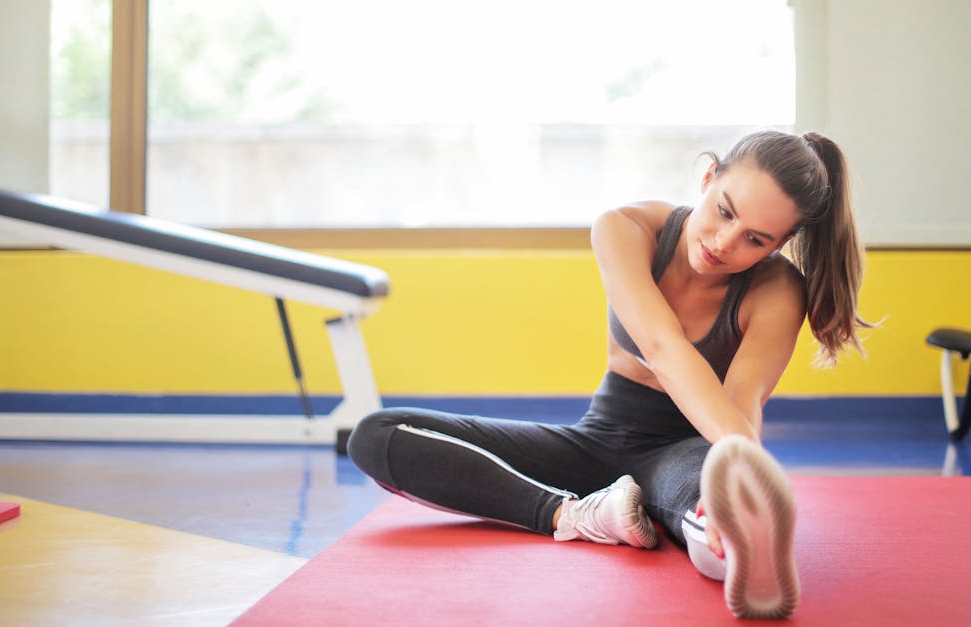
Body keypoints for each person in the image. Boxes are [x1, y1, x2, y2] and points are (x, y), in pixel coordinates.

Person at [347, 129, 870, 620]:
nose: (725, 242)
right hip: (596, 440)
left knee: (714, 518)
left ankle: (739, 546)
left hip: (688, 451)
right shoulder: (625, 227)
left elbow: (744, 399)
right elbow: (662, 346)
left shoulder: (777, 289)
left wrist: (734, 476)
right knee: (377, 436)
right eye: (724, 212)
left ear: (779, 245)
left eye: (755, 239)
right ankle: (575, 515)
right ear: (707, 178)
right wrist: (741, 456)